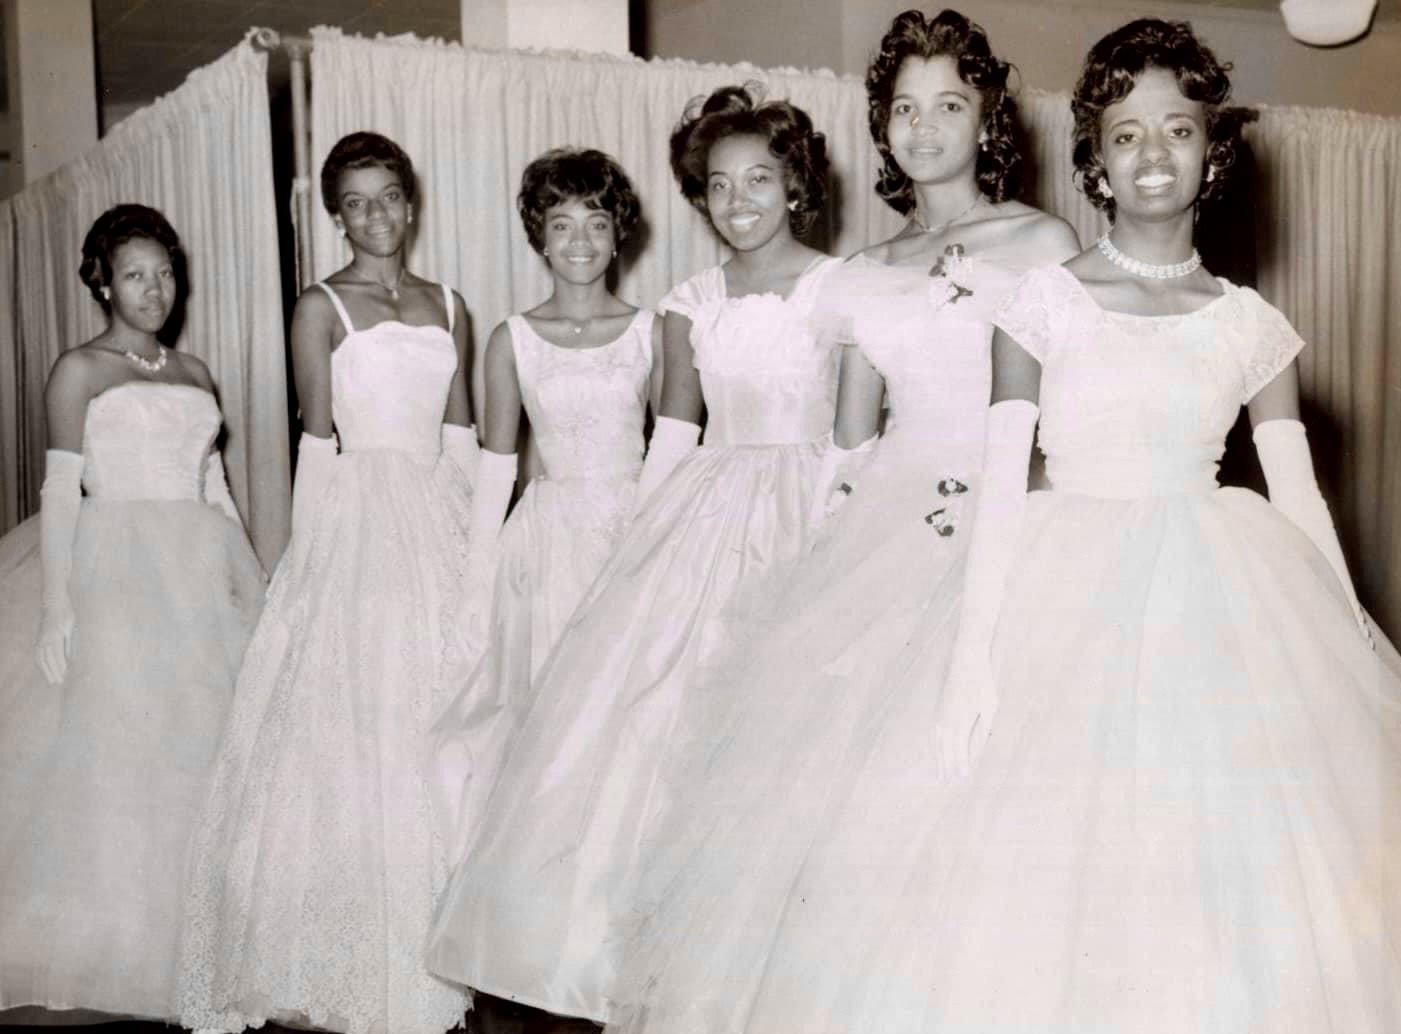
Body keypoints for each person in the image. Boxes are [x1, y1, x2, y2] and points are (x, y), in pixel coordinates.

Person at [730, 19, 1400, 1032]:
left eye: (1177, 129)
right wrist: (969, 661)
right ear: (1093, 157)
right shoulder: (1041, 302)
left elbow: (1300, 499)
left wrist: (1346, 639)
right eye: (1125, 134)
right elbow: (1002, 485)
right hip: (1060, 597)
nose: (1152, 154)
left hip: (1218, 609)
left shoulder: (1251, 321)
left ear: (1213, 151)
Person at [605, 11, 1080, 1031]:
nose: (924, 127)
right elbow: (851, 440)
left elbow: (1064, 415)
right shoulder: (861, 271)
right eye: (904, 108)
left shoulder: (1042, 241)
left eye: (948, 104)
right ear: (882, 125)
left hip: (1008, 513)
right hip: (884, 536)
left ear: (987, 118)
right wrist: (810, 563)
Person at [425, 85, 843, 1025]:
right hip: (706, 513)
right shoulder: (688, 303)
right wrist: (640, 559)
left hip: (810, 508)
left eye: (758, 180)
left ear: (794, 184)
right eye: (718, 185)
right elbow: (675, 433)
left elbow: (854, 433)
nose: (737, 201)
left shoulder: (839, 287)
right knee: (659, 730)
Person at [178, 132, 476, 1034]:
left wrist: (482, 551)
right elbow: (316, 438)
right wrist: (306, 559)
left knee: (446, 711)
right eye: (355, 202)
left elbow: (460, 436)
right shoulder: (320, 306)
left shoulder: (450, 303)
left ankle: (447, 943)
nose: (375, 215)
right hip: (358, 521)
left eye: (388, 196)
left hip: (438, 511)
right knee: (360, 719)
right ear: (336, 216)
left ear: (410, 204)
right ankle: (351, 950)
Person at [0, 204, 264, 1021]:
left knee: (207, 751)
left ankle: (209, 943)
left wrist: (249, 579)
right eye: (135, 276)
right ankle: (126, 946)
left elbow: (214, 486)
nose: (154, 290)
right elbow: (60, 489)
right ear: (103, 284)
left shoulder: (194, 371)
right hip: (116, 569)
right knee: (126, 754)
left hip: (198, 568)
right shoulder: (79, 369)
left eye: (164, 273)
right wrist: (57, 607)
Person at [428, 147, 661, 865]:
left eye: (595, 223)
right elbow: (496, 468)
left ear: (618, 234)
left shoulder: (653, 332)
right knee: (551, 714)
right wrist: (476, 583)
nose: (579, 241)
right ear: (539, 237)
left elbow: (674, 455)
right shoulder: (513, 339)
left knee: (627, 708)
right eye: (562, 225)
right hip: (549, 546)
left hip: (633, 534)